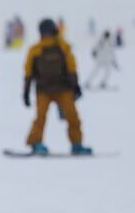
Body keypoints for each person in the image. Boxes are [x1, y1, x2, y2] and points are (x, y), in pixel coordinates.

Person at [22, 18, 91, 155]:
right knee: (41, 117)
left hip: (62, 89)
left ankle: (76, 143)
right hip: (45, 90)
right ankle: (36, 142)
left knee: (72, 116)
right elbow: (29, 71)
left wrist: (75, 85)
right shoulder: (36, 49)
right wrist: (26, 91)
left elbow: (71, 67)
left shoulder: (62, 47)